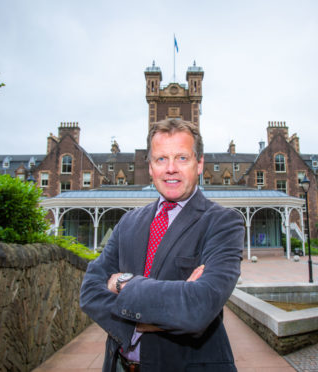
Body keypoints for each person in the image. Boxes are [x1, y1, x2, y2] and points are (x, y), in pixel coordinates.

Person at [79, 118, 244, 372]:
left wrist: (122, 283)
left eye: (181, 158)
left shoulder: (223, 223)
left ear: (199, 164)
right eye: (161, 159)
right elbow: (89, 291)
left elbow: (198, 308)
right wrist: (154, 317)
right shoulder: (128, 222)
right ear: (150, 166)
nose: (170, 169)